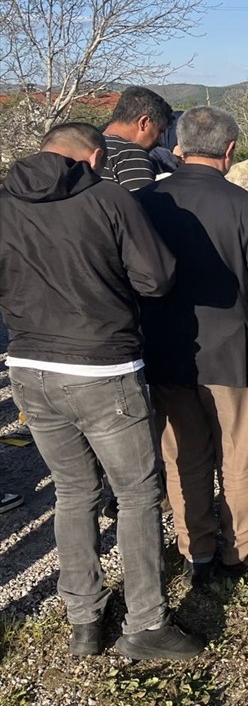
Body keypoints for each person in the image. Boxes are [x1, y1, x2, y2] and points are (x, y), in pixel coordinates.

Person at [0, 122, 203, 660]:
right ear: (93, 157)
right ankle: (146, 624)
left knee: (73, 491)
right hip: (102, 368)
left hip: (28, 368)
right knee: (136, 495)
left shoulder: (3, 202)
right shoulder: (108, 197)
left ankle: (84, 619)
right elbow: (156, 279)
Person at [137, 107, 248, 585]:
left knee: (184, 452)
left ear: (179, 146)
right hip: (236, 352)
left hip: (166, 351)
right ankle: (240, 548)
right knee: (242, 454)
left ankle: (196, 549)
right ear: (229, 152)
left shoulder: (141, 202)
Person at [102, 86, 174, 191]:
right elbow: (143, 204)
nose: (160, 141)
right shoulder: (130, 153)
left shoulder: (85, 144)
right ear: (144, 123)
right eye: (160, 131)